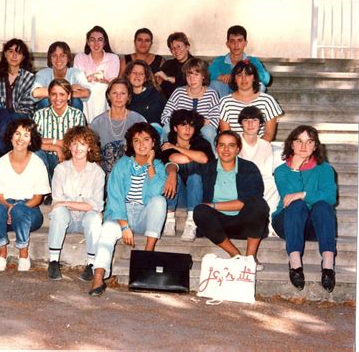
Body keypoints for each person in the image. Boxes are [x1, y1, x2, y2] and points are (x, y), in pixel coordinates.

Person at [89, 122, 167, 296]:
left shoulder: (159, 166)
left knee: (159, 201)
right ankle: (99, 275)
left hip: (143, 216)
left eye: (146, 139)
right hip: (121, 213)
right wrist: (124, 226)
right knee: (107, 231)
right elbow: (115, 198)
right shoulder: (122, 165)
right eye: (136, 140)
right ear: (131, 143)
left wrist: (150, 165)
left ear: (153, 143)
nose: (141, 144)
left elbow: (155, 192)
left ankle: (147, 257)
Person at [272, 125, 337, 292]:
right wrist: (294, 169)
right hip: (287, 222)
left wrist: (303, 194)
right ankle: (295, 265)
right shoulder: (281, 171)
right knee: (296, 204)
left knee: (323, 206)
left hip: (315, 225)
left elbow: (330, 196)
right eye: (299, 141)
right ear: (291, 145)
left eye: (309, 142)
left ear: (315, 146)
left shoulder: (325, 169)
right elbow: (288, 198)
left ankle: (328, 266)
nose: (303, 146)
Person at [193, 131, 269, 271]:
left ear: (238, 149)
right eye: (222, 145)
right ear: (216, 148)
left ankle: (251, 258)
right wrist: (172, 170)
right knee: (200, 211)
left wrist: (213, 205)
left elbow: (247, 201)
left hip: (245, 223)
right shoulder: (208, 168)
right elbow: (185, 169)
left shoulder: (248, 168)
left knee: (259, 204)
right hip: (218, 226)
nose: (226, 150)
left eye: (231, 145)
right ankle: (236, 255)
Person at [0, 118, 51, 272]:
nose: (20, 139)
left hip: (30, 212)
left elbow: (38, 198)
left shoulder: (37, 163)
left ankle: (23, 253)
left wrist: (17, 208)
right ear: (11, 137)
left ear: (31, 140)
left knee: (19, 210)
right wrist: (9, 208)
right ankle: (2, 252)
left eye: (26, 135)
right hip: (6, 210)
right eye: (17, 134)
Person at [47, 126, 105, 282]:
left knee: (94, 218)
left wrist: (67, 202)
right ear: (69, 146)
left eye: (83, 144)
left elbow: (97, 205)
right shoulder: (60, 169)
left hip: (86, 219)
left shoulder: (97, 172)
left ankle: (92, 264)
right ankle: (53, 261)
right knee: (59, 213)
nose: (78, 148)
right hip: (67, 219)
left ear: (89, 147)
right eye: (74, 143)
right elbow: (57, 202)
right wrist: (80, 204)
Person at [161, 110, 214, 241]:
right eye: (183, 125)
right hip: (178, 196)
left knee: (195, 177)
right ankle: (169, 219)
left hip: (199, 196)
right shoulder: (166, 146)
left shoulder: (201, 143)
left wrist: (176, 147)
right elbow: (175, 158)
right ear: (175, 128)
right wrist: (173, 171)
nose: (187, 129)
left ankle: (191, 222)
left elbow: (203, 159)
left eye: (191, 125)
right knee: (172, 175)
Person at [90, 78, 147, 176]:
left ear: (128, 96)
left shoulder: (138, 120)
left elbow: (147, 148)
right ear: (108, 95)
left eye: (123, 93)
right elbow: (90, 150)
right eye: (114, 93)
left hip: (133, 172)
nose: (118, 97)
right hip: (105, 173)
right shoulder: (97, 122)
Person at [33, 79, 86, 183]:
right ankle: (43, 191)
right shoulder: (39, 115)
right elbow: (34, 142)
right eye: (54, 94)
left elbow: (77, 142)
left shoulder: (77, 115)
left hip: (68, 157)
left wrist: (60, 147)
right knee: (36, 154)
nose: (58, 98)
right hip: (46, 158)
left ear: (69, 96)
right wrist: (56, 146)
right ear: (49, 95)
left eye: (62, 94)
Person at [219, 60, 283, 142]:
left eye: (248, 74)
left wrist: (256, 150)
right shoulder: (225, 102)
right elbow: (226, 134)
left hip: (260, 148)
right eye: (239, 75)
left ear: (254, 78)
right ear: (234, 79)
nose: (244, 78)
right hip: (235, 149)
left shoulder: (267, 101)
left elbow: (268, 134)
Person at [161, 58, 220, 146]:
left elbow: (215, 120)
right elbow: (165, 116)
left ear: (203, 76)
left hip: (202, 130)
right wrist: (179, 124)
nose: (192, 79)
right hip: (180, 130)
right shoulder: (178, 92)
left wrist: (200, 124)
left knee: (209, 131)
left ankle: (211, 158)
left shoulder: (212, 94)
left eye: (196, 75)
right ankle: (168, 155)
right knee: (166, 129)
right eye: (189, 75)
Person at [238, 106, 279, 216]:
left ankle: (270, 222)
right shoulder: (234, 142)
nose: (250, 124)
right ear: (241, 123)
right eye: (246, 120)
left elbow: (265, 173)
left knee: (272, 182)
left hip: (259, 182)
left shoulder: (265, 145)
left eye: (254, 120)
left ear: (261, 123)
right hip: (238, 181)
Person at [209, 25, 271, 97]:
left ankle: (250, 108)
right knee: (215, 84)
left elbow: (266, 79)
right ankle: (223, 107)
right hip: (225, 99)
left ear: (245, 43)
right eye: (232, 41)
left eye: (240, 40)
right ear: (227, 44)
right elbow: (207, 73)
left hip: (247, 101)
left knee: (260, 86)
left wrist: (239, 76)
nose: (236, 45)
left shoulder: (252, 61)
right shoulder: (219, 61)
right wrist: (221, 77)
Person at [74, 25, 120, 123]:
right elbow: (78, 81)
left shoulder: (113, 58)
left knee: (100, 88)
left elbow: (112, 83)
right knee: (89, 90)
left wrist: (92, 79)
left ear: (105, 42)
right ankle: (91, 123)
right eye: (92, 40)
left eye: (100, 40)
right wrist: (95, 78)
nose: (96, 43)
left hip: (104, 93)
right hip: (84, 92)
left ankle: (96, 123)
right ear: (87, 42)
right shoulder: (80, 57)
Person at [31, 41, 91, 111]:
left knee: (75, 101)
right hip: (47, 116)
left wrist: (49, 92)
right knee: (45, 101)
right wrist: (69, 89)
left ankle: (74, 122)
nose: (58, 59)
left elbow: (86, 93)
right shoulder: (42, 74)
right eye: (54, 56)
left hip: (70, 115)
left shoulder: (77, 73)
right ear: (50, 58)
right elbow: (36, 93)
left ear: (68, 58)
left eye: (62, 55)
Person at [0, 38, 35, 118]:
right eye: (11, 51)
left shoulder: (29, 78)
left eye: (19, 52)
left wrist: (2, 103)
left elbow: (27, 106)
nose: (14, 55)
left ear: (23, 57)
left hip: (20, 118)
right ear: (5, 54)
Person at [123, 59, 167, 128]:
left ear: (146, 78)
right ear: (128, 75)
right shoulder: (123, 95)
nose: (137, 76)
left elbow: (165, 116)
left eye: (141, 74)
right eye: (134, 73)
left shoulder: (155, 94)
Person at [155, 32, 194, 99]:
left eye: (178, 46)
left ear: (187, 47)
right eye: (173, 48)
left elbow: (194, 82)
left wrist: (168, 78)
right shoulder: (168, 64)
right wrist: (157, 81)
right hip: (167, 102)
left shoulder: (197, 64)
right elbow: (158, 82)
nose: (176, 50)